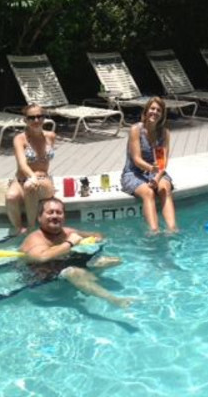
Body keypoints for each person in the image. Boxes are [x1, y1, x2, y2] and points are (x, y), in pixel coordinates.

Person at [20, 197, 131, 307]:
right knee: (72, 272)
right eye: (50, 212)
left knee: (114, 261)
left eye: (59, 212)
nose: (55, 216)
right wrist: (70, 243)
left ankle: (87, 279)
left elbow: (98, 235)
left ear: (64, 217)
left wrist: (95, 239)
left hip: (63, 264)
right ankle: (115, 300)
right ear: (39, 217)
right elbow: (42, 257)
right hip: (43, 276)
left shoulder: (68, 232)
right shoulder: (35, 239)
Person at [121, 97, 177, 234]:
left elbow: (162, 162)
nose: (155, 112)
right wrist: (152, 169)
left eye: (159, 110)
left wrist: (156, 178)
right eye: (152, 109)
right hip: (134, 172)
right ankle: (154, 231)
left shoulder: (164, 133)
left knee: (164, 188)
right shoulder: (136, 130)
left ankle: (172, 229)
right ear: (146, 111)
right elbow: (136, 159)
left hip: (156, 172)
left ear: (162, 115)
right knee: (148, 192)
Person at [6, 104, 56, 234]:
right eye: (31, 117)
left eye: (39, 116)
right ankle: (18, 229)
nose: (36, 120)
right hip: (21, 178)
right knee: (11, 197)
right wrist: (31, 176)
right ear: (25, 120)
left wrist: (34, 179)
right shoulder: (20, 139)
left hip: (43, 178)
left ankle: (31, 227)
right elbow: (22, 164)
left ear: (44, 118)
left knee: (30, 187)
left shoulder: (50, 136)